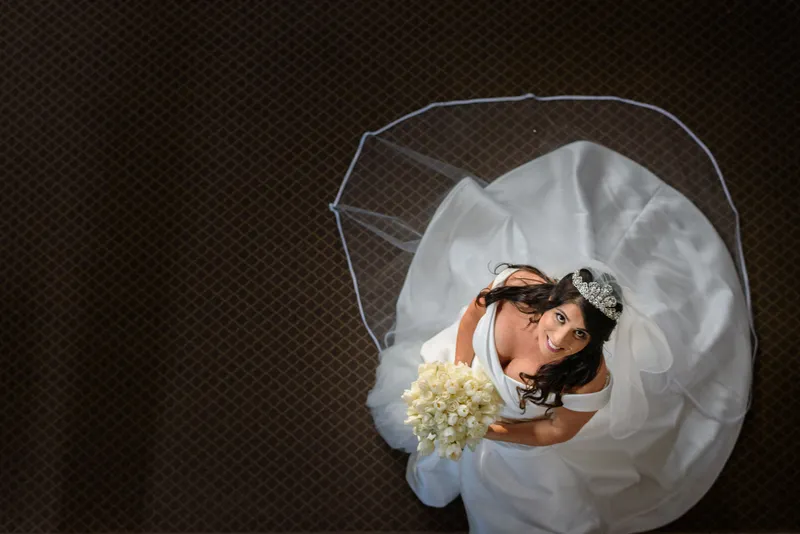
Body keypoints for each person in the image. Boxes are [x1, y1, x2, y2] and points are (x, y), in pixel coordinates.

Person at [365, 141, 752, 533]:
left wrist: (490, 430)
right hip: (460, 380)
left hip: (514, 442)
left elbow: (555, 429)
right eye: (561, 317)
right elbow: (471, 317)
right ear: (550, 299)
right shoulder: (517, 285)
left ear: (594, 342)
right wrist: (457, 380)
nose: (561, 338)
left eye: (580, 333)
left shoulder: (589, 376)